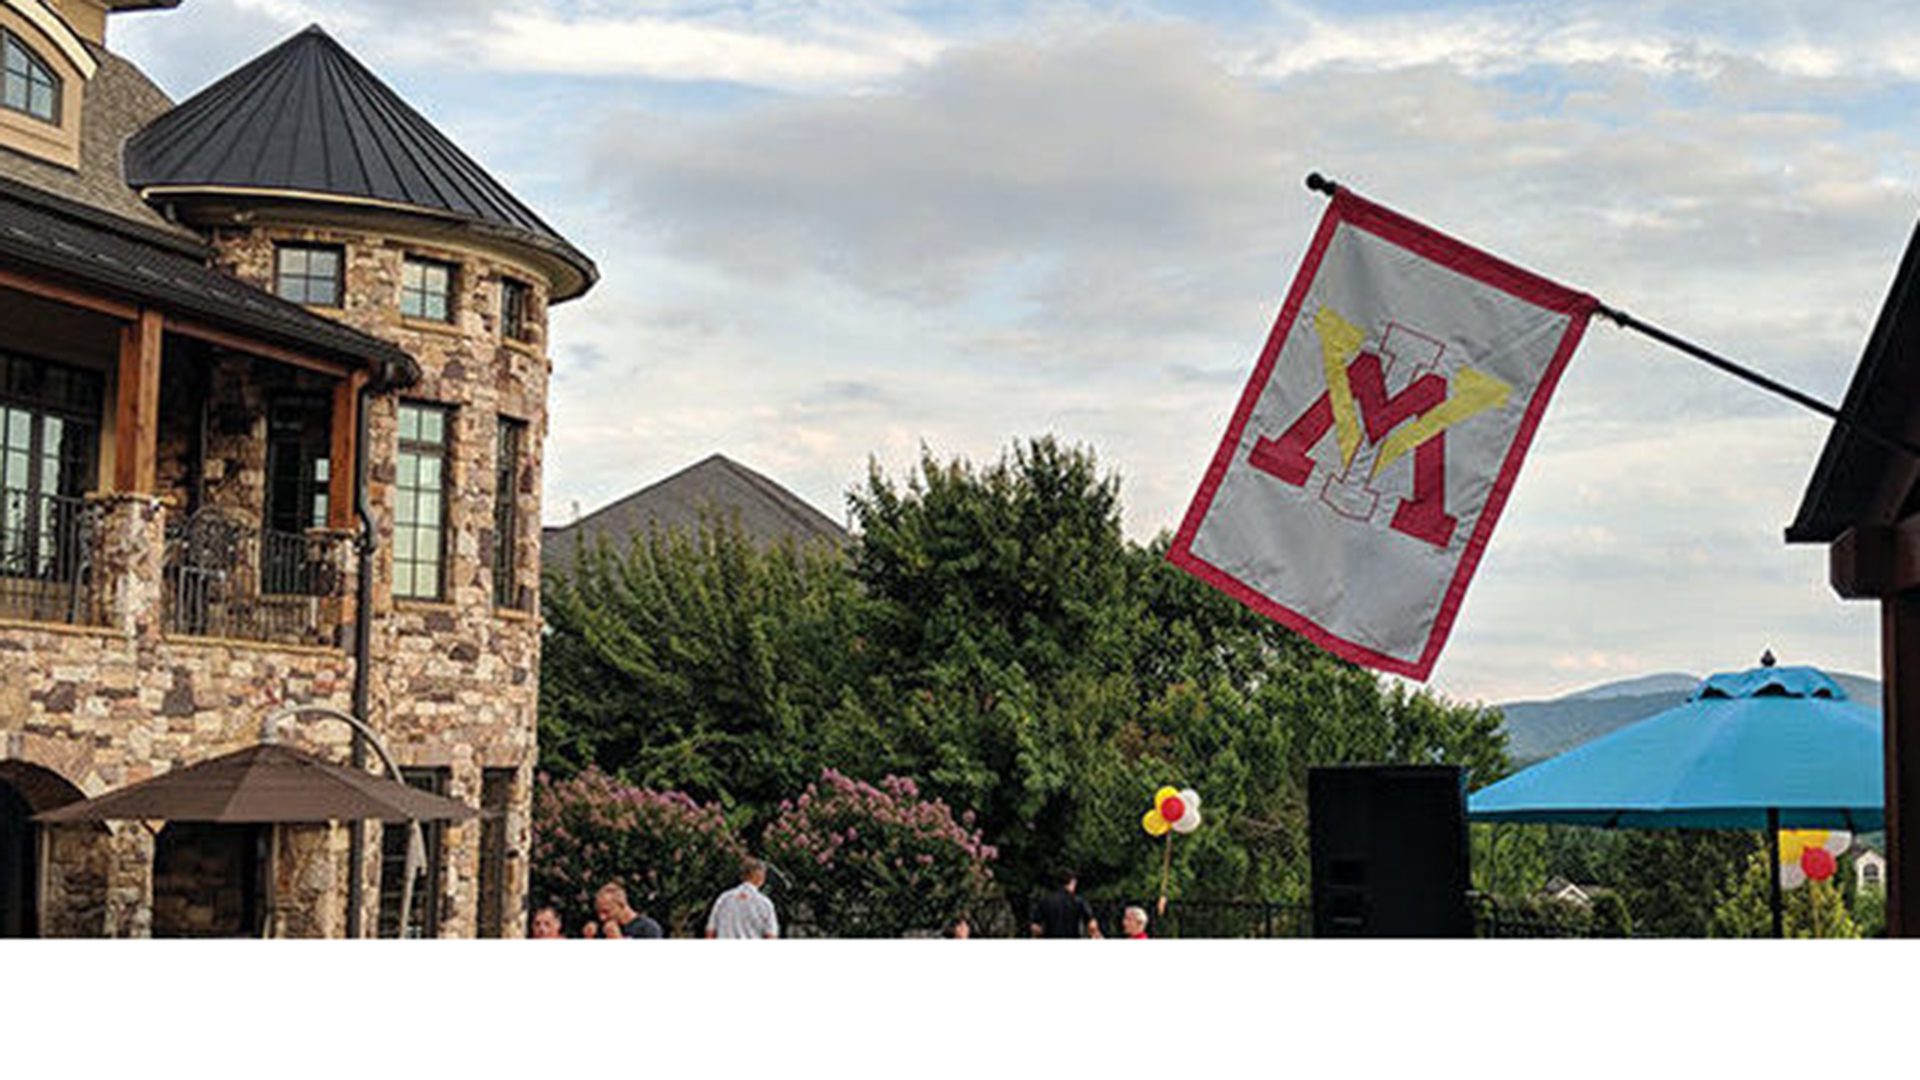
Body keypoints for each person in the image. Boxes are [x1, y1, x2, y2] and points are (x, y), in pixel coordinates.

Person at [705, 856, 779, 939]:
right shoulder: (765, 903)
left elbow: (710, 932)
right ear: (761, 877)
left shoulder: (723, 899)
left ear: (742, 876)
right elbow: (771, 936)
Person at [1030, 869, 1101, 939]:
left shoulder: (1045, 901)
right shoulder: (1079, 901)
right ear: (1072, 882)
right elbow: (1092, 926)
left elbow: (1035, 928)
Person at [592, 882, 663, 939]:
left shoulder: (648, 928)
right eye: (599, 912)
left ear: (621, 904)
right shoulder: (603, 930)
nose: (602, 917)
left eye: (606, 911)